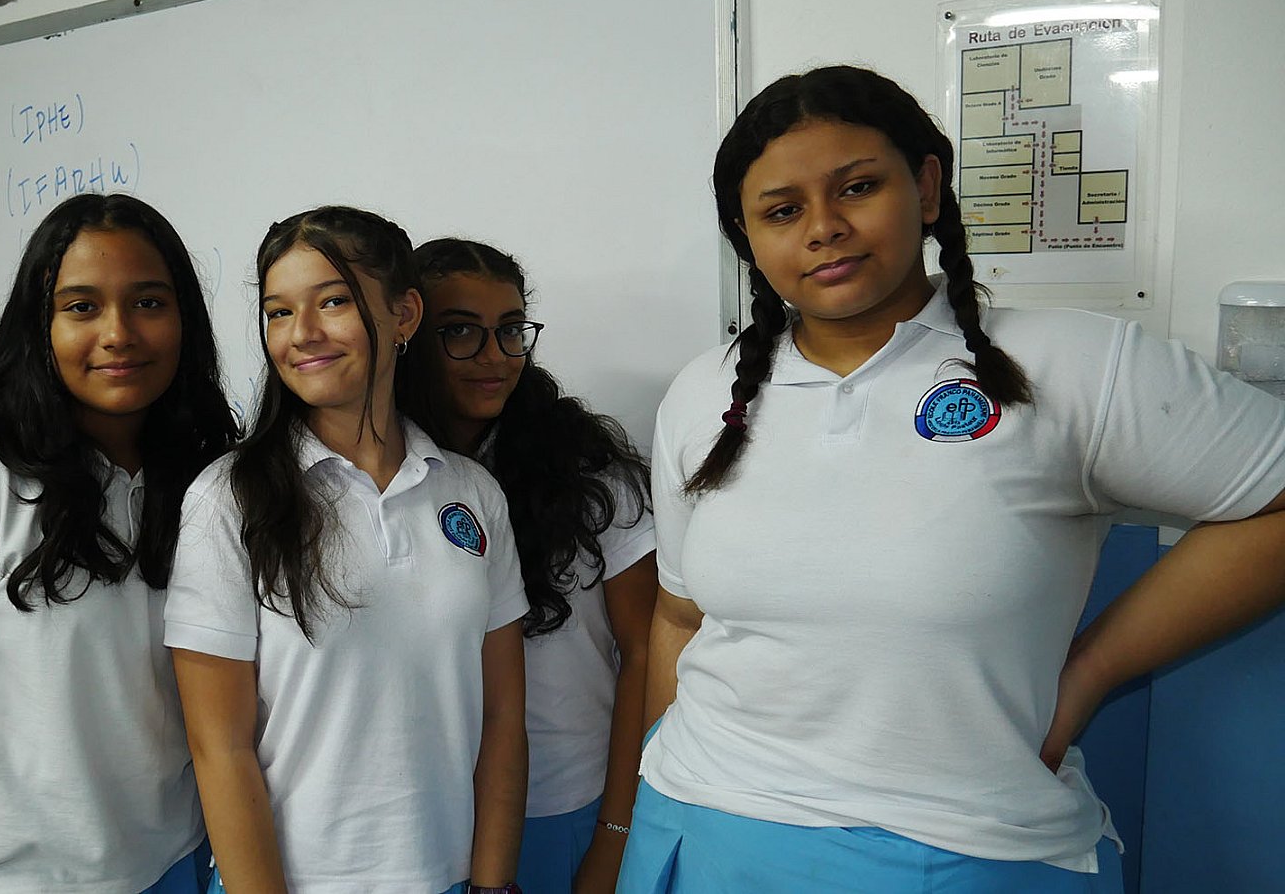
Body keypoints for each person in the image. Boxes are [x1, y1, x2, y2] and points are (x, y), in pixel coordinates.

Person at [621, 65, 1285, 892]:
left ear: (927, 186)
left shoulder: (1073, 364)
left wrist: (1092, 669)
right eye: (783, 211)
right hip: (695, 822)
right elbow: (680, 617)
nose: (825, 228)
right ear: (746, 236)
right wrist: (644, 800)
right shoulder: (703, 392)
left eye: (857, 187)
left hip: (965, 847)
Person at [0, 193, 239, 894]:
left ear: (186, 319)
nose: (119, 333)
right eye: (82, 307)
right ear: (38, 326)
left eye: (149, 303)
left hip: (181, 862)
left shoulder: (209, 485)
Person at [165, 206, 529, 893]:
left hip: (450, 876)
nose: (302, 333)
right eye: (278, 312)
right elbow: (220, 748)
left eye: (332, 301)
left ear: (404, 314)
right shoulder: (228, 498)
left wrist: (491, 884)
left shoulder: (472, 492)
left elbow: (504, 718)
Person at [398, 238, 656, 893]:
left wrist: (616, 832)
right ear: (406, 335)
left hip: (562, 804)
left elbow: (646, 652)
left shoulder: (590, 476)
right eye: (460, 332)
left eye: (510, 330)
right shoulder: (381, 478)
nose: (495, 356)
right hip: (427, 817)